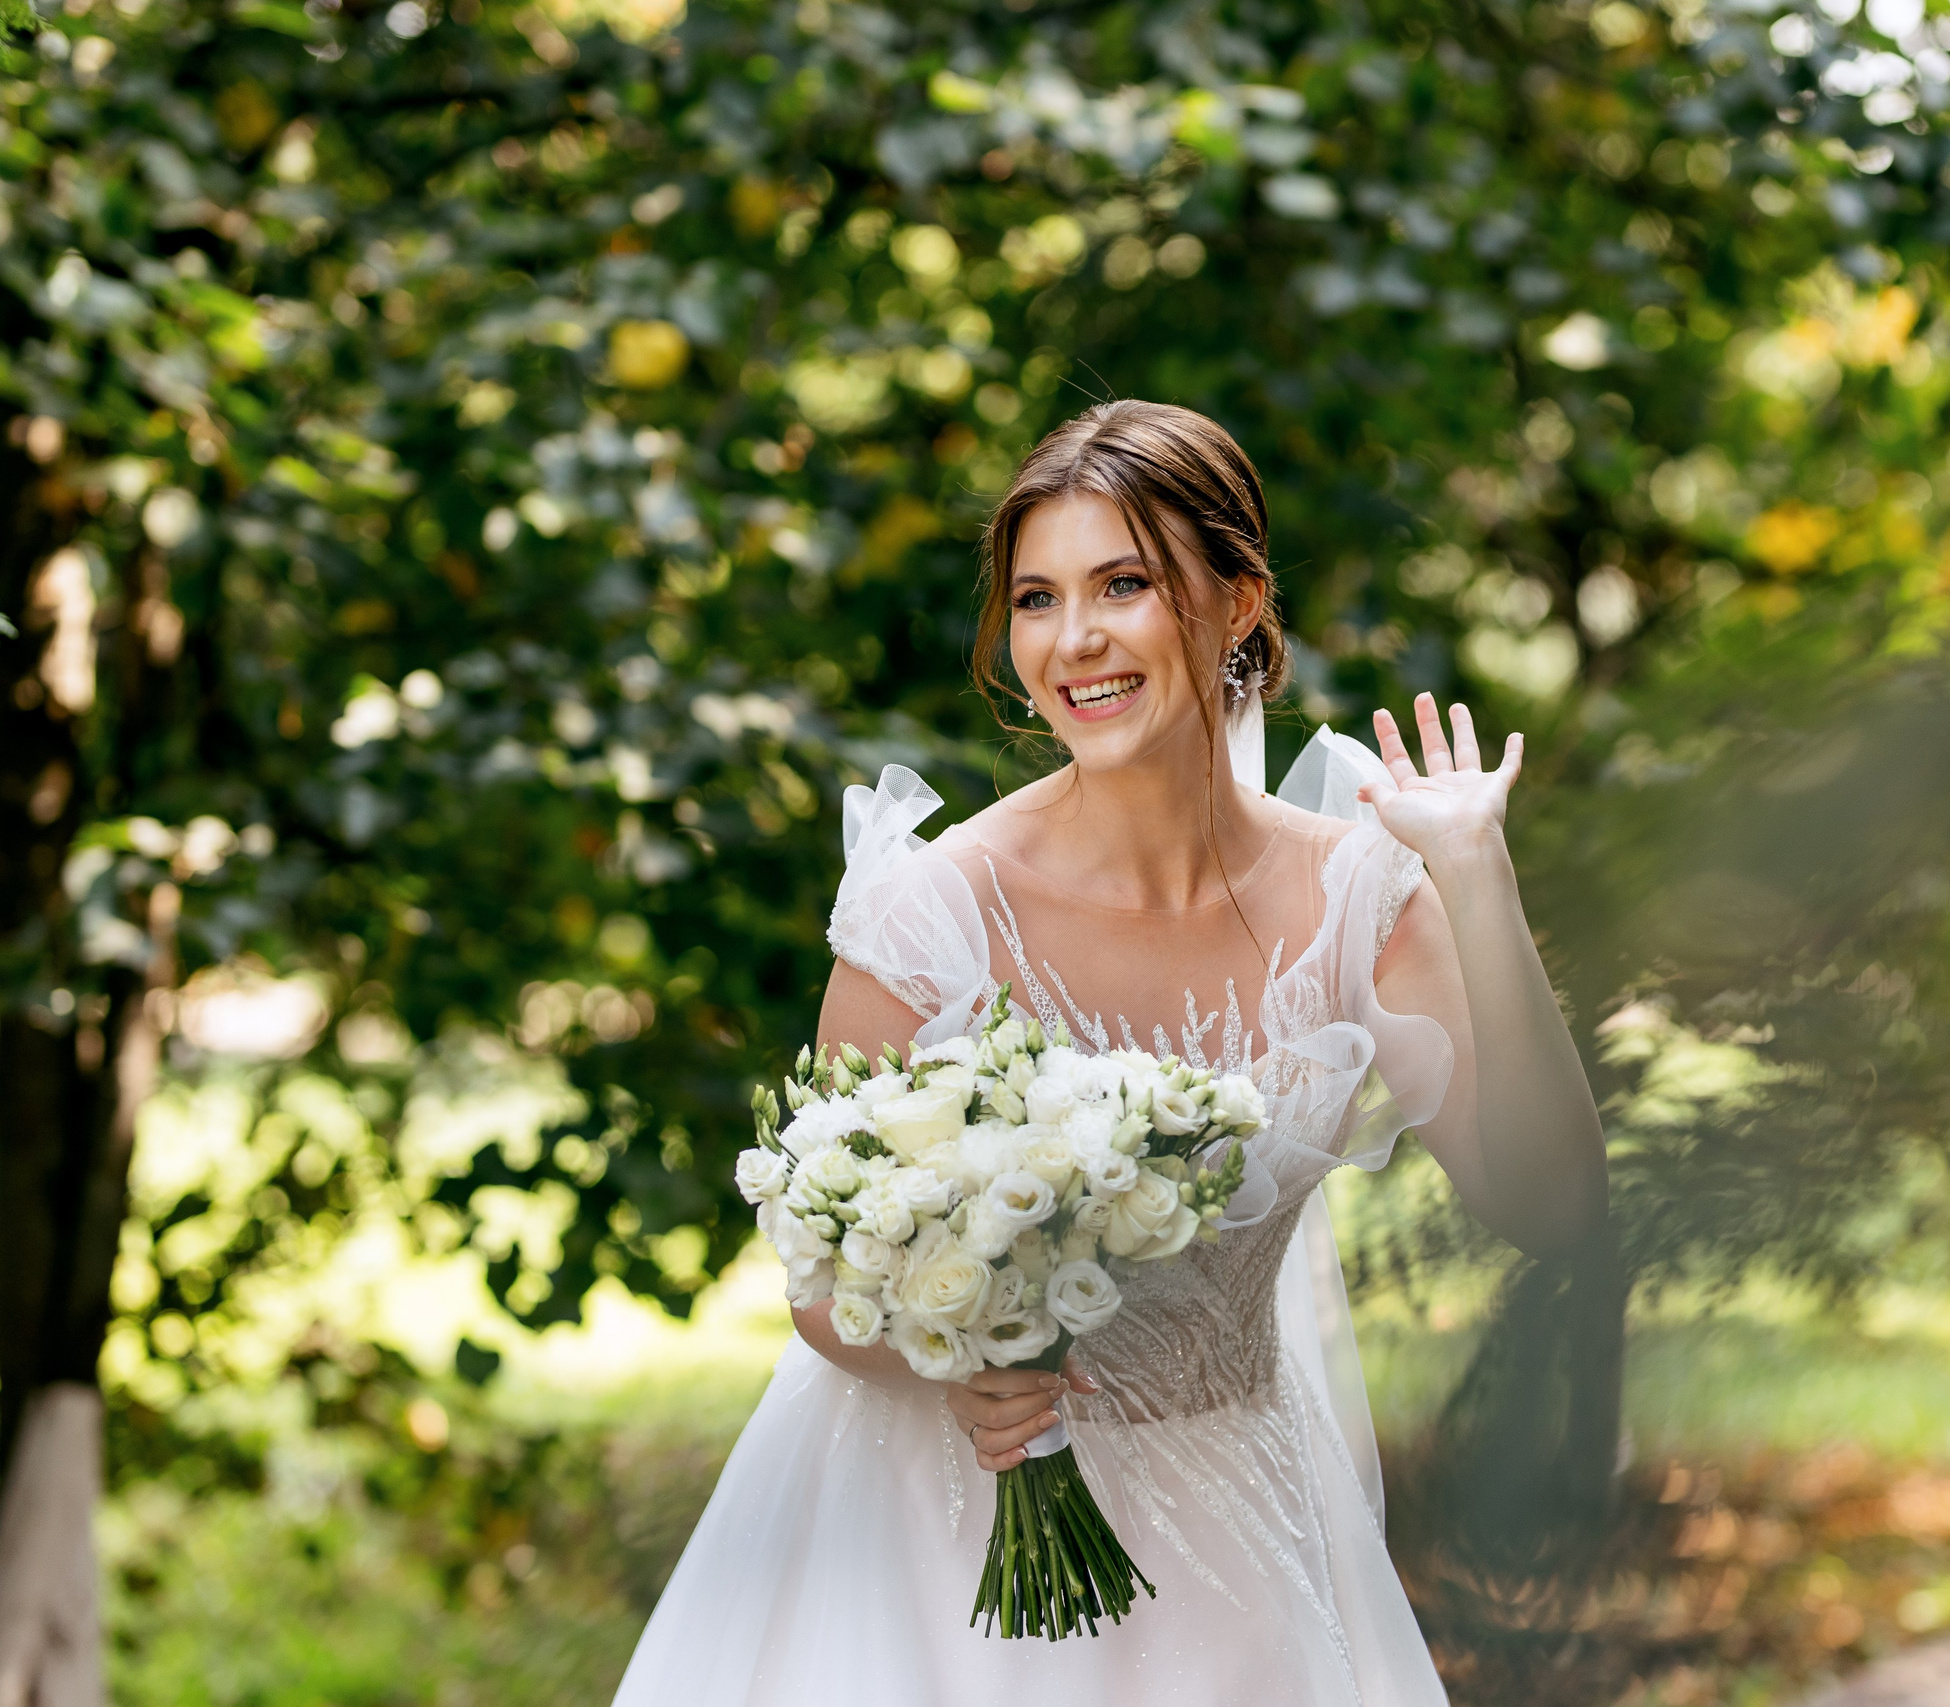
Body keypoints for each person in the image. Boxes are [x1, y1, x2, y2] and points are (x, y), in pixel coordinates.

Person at [612, 400, 1607, 1704]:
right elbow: (820, 1282)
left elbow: (1553, 1203)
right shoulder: (933, 913)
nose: (1072, 639)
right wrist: (953, 1358)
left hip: (1238, 1538)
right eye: (1037, 598)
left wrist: (1478, 880)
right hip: (941, 1551)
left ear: (1238, 602)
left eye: (1123, 584)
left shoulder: (1358, 901)